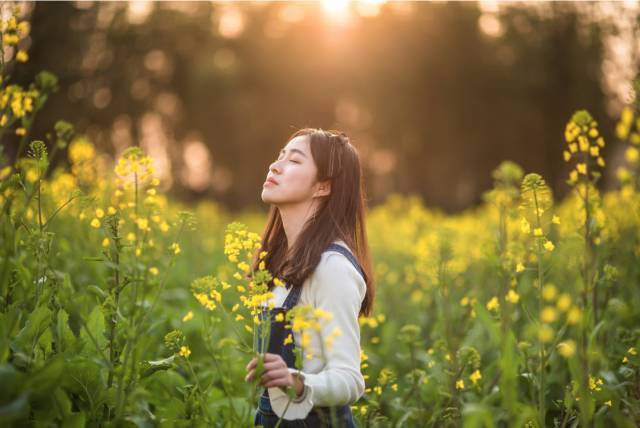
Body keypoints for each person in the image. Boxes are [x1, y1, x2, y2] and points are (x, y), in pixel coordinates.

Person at [245, 128, 376, 427]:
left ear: (322, 186)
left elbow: (350, 380)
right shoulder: (280, 264)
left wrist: (298, 382)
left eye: (294, 160)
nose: (275, 166)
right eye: (280, 156)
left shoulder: (331, 267)